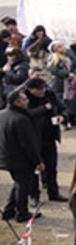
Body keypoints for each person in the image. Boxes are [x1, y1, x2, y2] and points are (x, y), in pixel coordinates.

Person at [0, 89, 43, 222]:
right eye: (24, 100)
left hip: (5, 156)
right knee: (23, 185)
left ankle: (9, 210)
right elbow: (28, 144)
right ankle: (21, 212)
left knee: (19, 183)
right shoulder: (21, 119)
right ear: (17, 102)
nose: (27, 101)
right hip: (20, 159)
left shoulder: (2, 114)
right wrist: (38, 161)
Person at [24, 77, 68, 202]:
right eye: (39, 89)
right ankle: (34, 195)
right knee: (34, 170)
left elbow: (62, 107)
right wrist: (44, 108)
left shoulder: (49, 95)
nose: (43, 91)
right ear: (31, 90)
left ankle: (53, 192)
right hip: (33, 139)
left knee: (51, 167)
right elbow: (27, 114)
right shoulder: (24, 98)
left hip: (49, 136)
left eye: (43, 88)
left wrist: (62, 116)